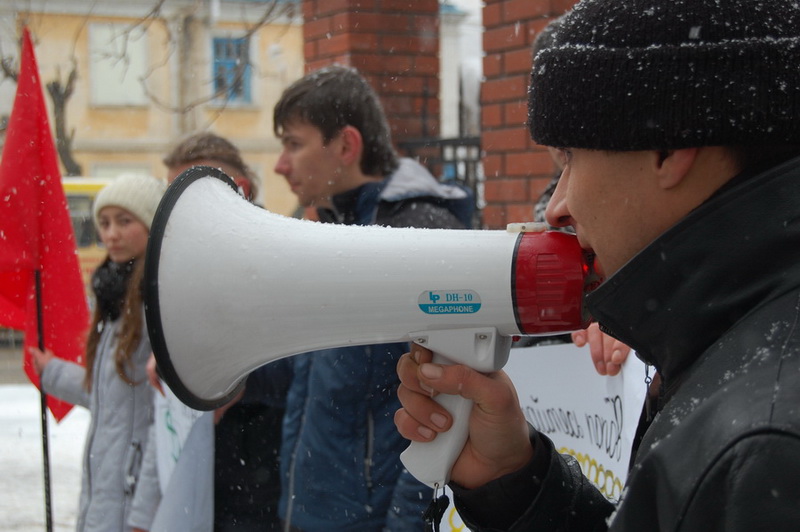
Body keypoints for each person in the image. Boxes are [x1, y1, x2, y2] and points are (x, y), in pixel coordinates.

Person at [395, 0, 800, 530]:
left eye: (570, 156)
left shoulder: (761, 448)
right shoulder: (744, 368)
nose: (558, 206)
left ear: (668, 147)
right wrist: (513, 480)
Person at [272, 64, 472, 531]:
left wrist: (407, 524)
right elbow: (308, 372)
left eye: (294, 144)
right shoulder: (330, 232)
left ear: (346, 145)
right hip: (313, 513)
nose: (281, 164)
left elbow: (449, 410)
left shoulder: (417, 237)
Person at [129, 131, 291, 532]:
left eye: (190, 194)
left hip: (260, 474)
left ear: (241, 189)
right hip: (201, 471)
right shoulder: (184, 265)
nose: (176, 209)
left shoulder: (282, 255)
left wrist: (233, 382)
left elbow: (303, 366)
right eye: (171, 195)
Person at [30, 173, 166, 532]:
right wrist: (52, 371)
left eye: (124, 221)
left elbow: (165, 418)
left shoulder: (157, 303)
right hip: (106, 487)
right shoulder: (113, 299)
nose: (111, 234)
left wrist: (144, 513)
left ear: (152, 225)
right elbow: (111, 394)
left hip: (132, 492)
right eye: (104, 223)